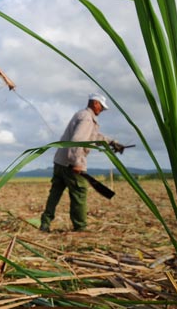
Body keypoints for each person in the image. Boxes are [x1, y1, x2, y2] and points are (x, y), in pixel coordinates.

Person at [39, 93, 126, 232]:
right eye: (102, 107)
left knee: (55, 193)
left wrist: (112, 142)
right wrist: (77, 163)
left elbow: (93, 136)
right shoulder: (87, 118)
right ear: (95, 103)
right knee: (80, 192)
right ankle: (80, 227)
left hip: (60, 161)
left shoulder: (82, 115)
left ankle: (45, 223)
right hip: (71, 162)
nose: (102, 110)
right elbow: (78, 140)